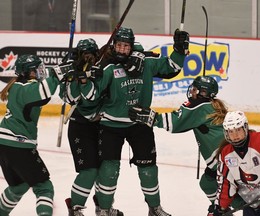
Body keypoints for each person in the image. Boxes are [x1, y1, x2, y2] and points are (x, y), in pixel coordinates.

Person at [78, 26, 189, 216]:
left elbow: (172, 67)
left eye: (126, 46)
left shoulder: (145, 63)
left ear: (131, 47)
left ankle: (154, 208)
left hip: (140, 123)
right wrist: (84, 81)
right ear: (114, 46)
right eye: (119, 45)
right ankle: (104, 209)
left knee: (148, 169)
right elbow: (92, 96)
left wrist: (179, 50)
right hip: (111, 125)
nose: (122, 49)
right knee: (109, 170)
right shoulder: (108, 67)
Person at [128, 75, 244, 215]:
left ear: (204, 93)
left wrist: (153, 118)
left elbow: (176, 123)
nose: (192, 91)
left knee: (223, 186)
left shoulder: (199, 106)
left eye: (196, 89)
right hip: (227, 156)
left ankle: (239, 208)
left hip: (222, 160)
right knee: (207, 183)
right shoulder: (211, 105)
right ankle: (225, 207)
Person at [0, 54, 72, 215]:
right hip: (18, 143)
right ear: (27, 73)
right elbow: (44, 92)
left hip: (6, 144)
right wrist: (57, 74)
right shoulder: (26, 88)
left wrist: (60, 74)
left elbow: (43, 93)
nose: (40, 71)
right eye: (36, 70)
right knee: (44, 188)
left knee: (19, 186)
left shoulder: (18, 86)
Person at [60, 38, 123, 216]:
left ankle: (103, 206)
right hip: (81, 127)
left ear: (97, 53)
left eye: (92, 53)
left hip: (104, 125)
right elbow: (70, 99)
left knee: (106, 170)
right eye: (84, 53)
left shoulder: (105, 66)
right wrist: (75, 76)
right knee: (89, 170)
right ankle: (75, 207)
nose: (88, 56)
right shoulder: (72, 70)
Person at [213, 110, 260, 216]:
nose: (235, 135)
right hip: (250, 204)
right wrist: (220, 207)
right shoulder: (225, 153)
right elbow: (226, 182)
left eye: (238, 130)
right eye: (230, 131)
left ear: (245, 127)